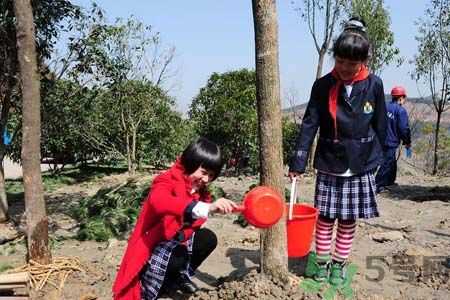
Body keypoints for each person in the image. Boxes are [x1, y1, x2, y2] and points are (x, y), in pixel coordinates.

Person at [288, 17, 387, 286]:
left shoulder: (374, 85)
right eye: (340, 62)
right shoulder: (322, 86)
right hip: (329, 161)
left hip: (361, 162)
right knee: (326, 217)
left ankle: (339, 265)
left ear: (363, 61)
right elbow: (309, 123)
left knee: (347, 219)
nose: (344, 68)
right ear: (335, 58)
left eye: (351, 64)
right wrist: (298, 160)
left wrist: (383, 161)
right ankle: (321, 263)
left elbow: (381, 124)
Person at [113, 137, 238, 300]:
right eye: (204, 172)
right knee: (177, 254)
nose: (206, 179)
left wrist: (207, 213)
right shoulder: (166, 179)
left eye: (211, 175)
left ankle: (175, 278)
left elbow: (197, 222)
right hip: (151, 244)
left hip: (175, 240)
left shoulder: (201, 193)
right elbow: (159, 202)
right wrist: (203, 208)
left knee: (207, 239)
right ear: (191, 163)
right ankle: (151, 284)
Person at [375, 86, 411, 193]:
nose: (404, 100)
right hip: (391, 141)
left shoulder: (384, 106)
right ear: (401, 98)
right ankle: (377, 185)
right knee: (387, 163)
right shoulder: (400, 111)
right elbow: (404, 128)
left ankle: (390, 181)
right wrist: (407, 141)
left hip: (379, 139)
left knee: (391, 161)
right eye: (404, 98)